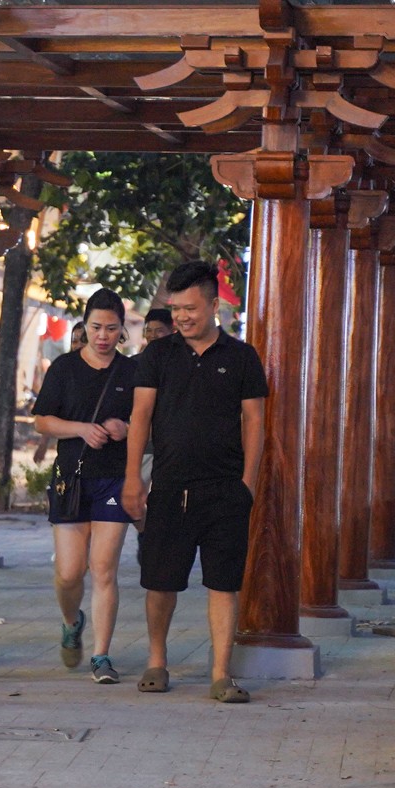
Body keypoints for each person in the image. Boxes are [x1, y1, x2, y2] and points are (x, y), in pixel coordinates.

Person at [123, 260, 267, 704]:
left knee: (224, 582)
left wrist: (248, 482)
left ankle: (222, 673)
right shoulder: (158, 355)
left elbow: (255, 421)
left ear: (214, 304)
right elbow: (140, 417)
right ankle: (157, 661)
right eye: (175, 308)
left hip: (226, 490)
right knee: (160, 581)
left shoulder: (242, 357)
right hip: (169, 488)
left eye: (190, 307)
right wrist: (132, 479)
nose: (182, 316)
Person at [32, 288, 136, 683]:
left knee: (104, 569)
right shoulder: (64, 368)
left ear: (122, 331)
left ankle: (101, 655)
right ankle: (71, 620)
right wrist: (82, 429)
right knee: (70, 573)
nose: (103, 335)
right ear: (85, 326)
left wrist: (123, 428)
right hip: (71, 480)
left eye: (111, 328)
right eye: (96, 327)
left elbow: (145, 423)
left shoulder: (131, 373)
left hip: (114, 477)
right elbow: (43, 420)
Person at [133, 308, 174, 537]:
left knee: (165, 504)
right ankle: (147, 535)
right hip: (143, 445)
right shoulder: (134, 363)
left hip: (169, 447)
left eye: (159, 331)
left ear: (172, 331)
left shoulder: (182, 363)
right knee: (130, 501)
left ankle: (154, 539)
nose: (153, 335)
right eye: (149, 331)